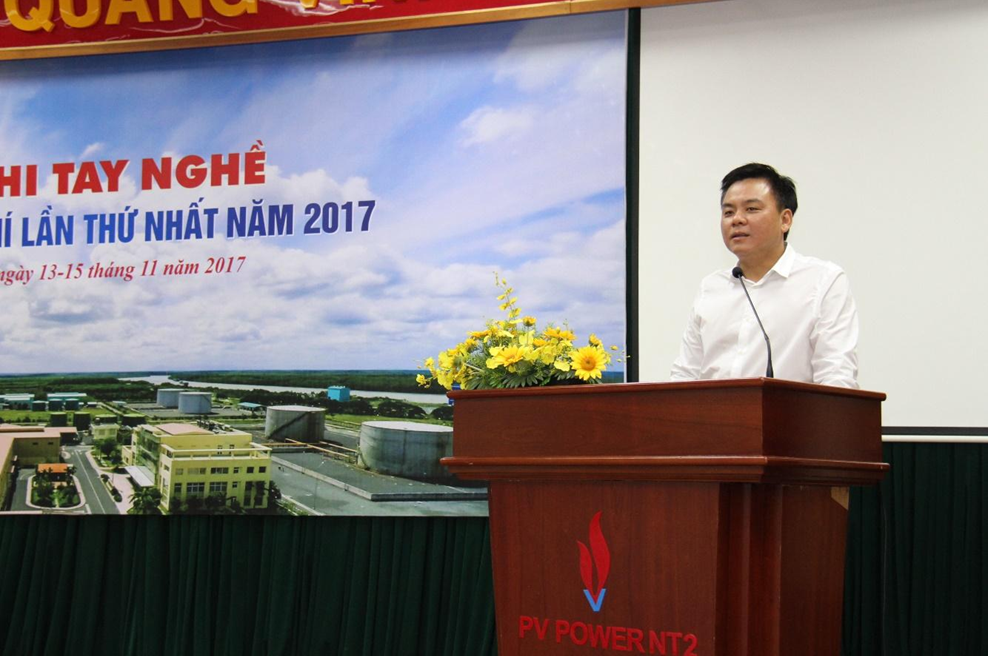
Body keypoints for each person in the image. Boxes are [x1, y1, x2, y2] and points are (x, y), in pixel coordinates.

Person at [670, 163, 859, 388]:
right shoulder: (711, 287)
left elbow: (837, 376)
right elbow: (685, 375)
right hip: (714, 412)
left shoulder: (823, 281)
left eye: (751, 209)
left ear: (785, 220)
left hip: (789, 412)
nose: (737, 219)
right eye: (728, 212)